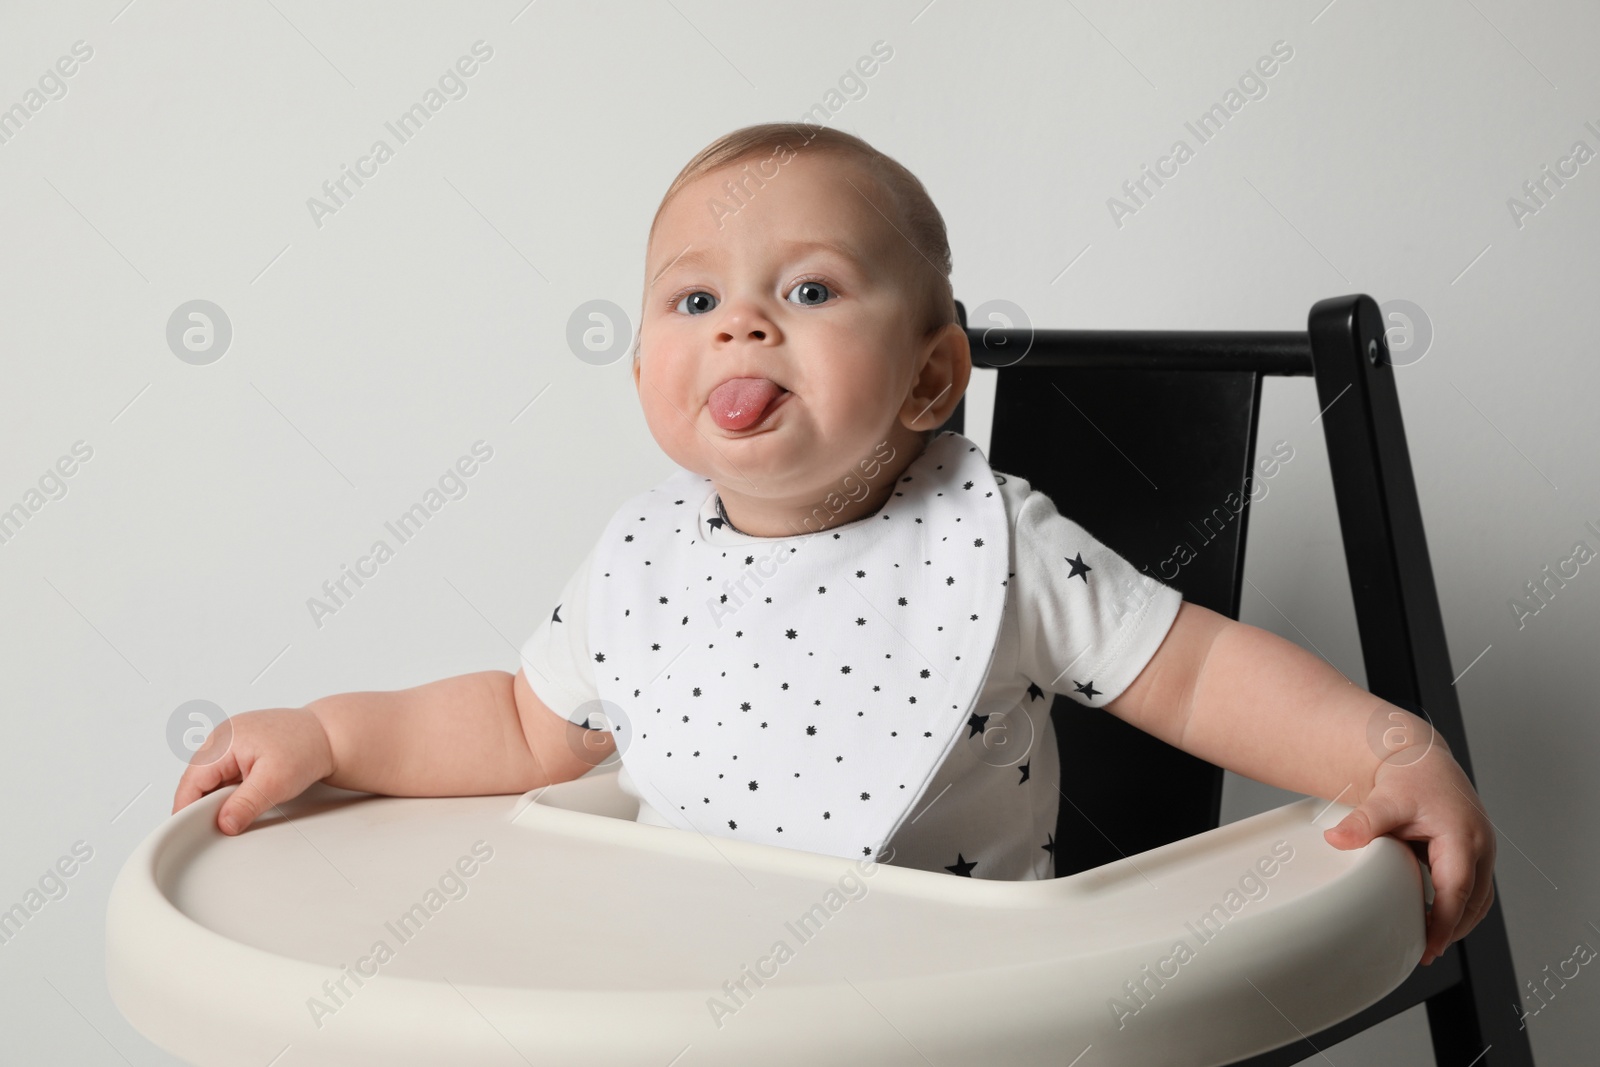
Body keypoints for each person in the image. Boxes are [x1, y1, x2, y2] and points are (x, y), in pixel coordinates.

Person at [172, 122, 1494, 968]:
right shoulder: (642, 561)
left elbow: (1200, 676)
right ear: (643, 371)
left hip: (956, 1012)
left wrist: (1389, 749)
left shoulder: (999, 547)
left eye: (807, 290)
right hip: (685, 995)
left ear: (931, 380)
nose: (744, 323)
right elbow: (523, 726)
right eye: (697, 298)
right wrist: (335, 736)